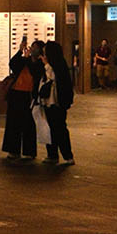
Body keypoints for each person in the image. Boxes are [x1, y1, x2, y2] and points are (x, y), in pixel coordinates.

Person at [1, 36, 40, 160]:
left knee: (28, 124)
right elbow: (13, 64)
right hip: (16, 94)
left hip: (29, 96)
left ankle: (29, 152)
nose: (31, 49)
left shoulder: (39, 63)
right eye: (31, 47)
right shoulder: (24, 60)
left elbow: (35, 72)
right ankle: (13, 150)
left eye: (35, 48)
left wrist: (28, 59)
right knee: (13, 123)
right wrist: (19, 51)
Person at [38, 35, 75, 166]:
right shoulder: (53, 64)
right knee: (49, 129)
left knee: (59, 129)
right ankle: (52, 155)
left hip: (57, 103)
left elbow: (53, 77)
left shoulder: (57, 65)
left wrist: (46, 64)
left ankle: (67, 155)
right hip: (48, 102)